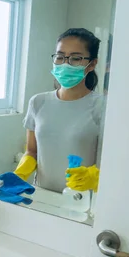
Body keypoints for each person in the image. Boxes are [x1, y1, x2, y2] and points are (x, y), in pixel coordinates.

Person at [14, 28, 106, 193]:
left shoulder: (102, 107)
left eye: (75, 58)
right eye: (60, 56)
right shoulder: (38, 102)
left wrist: (95, 176)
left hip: (80, 201)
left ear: (92, 64)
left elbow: (111, 162)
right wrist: (20, 173)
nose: (65, 64)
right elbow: (32, 151)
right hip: (41, 196)